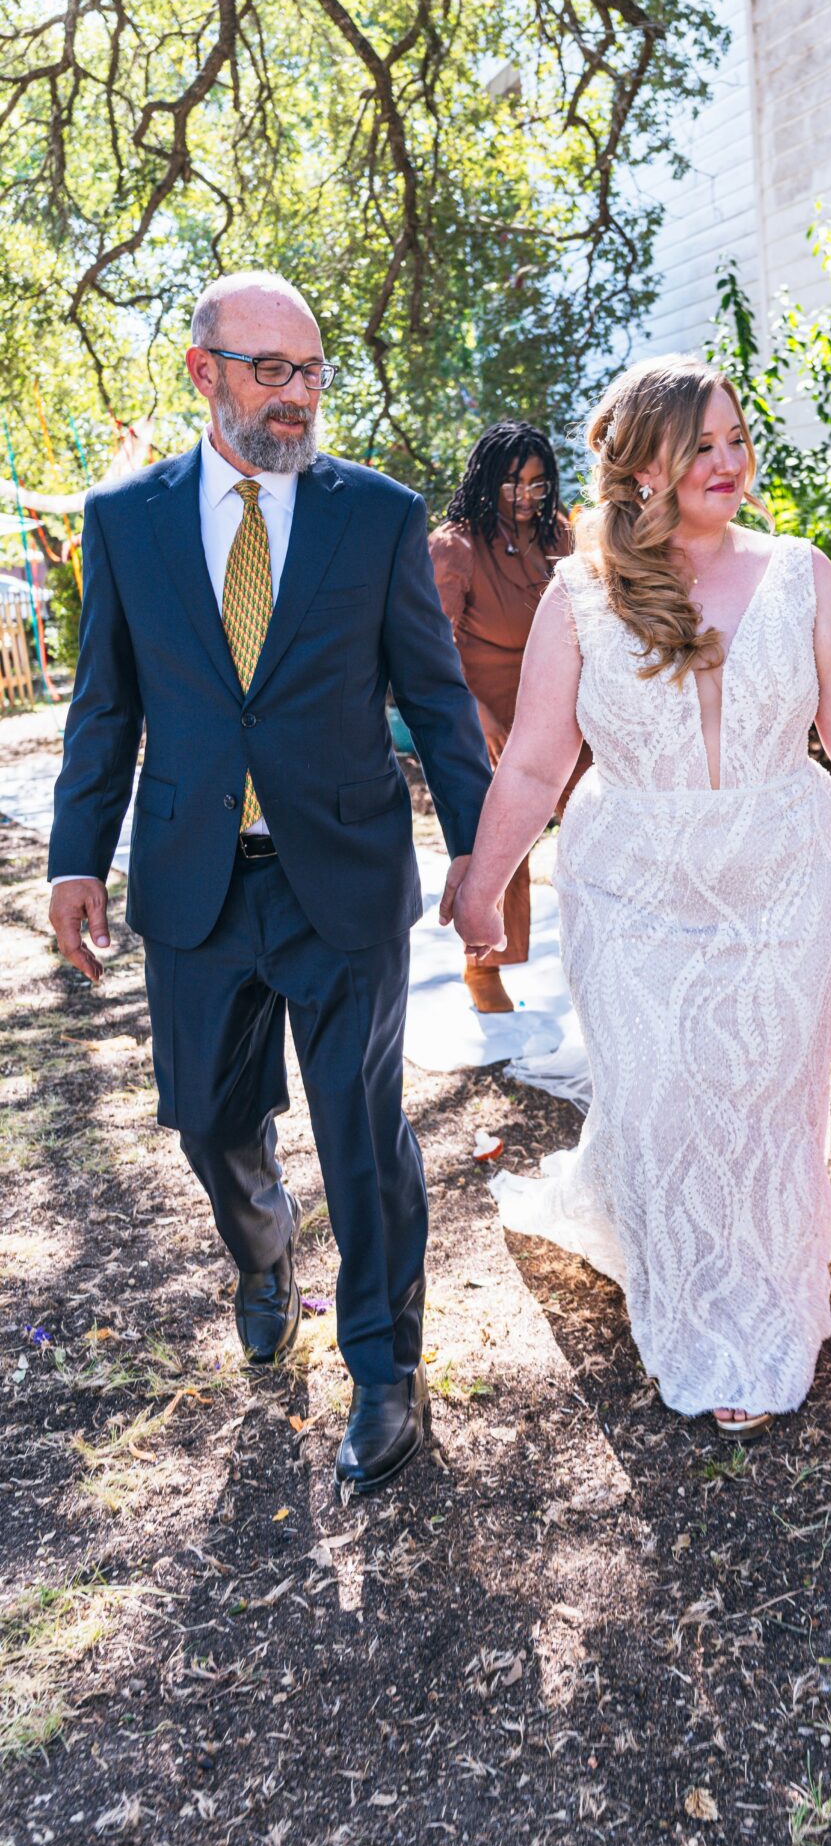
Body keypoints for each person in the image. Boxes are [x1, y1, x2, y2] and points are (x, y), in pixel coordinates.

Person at [453, 355, 831, 1437]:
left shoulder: (799, 575)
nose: (728, 462)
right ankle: (694, 1308)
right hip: (631, 884)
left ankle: (767, 1287)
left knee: (769, 1094)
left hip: (783, 877)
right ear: (643, 465)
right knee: (660, 1092)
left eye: (737, 438)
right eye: (702, 446)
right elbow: (537, 762)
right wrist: (485, 885)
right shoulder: (580, 593)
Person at [47, 270, 492, 1492]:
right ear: (204, 371)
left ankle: (384, 1366)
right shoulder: (125, 519)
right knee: (207, 1118)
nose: (298, 395)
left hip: (340, 877)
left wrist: (479, 853)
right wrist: (77, 854)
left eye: (312, 372)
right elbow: (105, 706)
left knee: (360, 1127)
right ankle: (262, 1247)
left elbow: (436, 697)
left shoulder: (377, 515)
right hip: (194, 879)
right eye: (271, 371)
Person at [429, 421, 585, 1012]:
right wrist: (480, 719)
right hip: (486, 713)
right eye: (513, 484)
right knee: (503, 837)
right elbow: (430, 649)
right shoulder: (456, 547)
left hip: (563, 707)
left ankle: (608, 943)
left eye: (539, 484)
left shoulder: (560, 536)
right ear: (487, 480)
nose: (527, 497)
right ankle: (485, 965)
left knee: (598, 821)